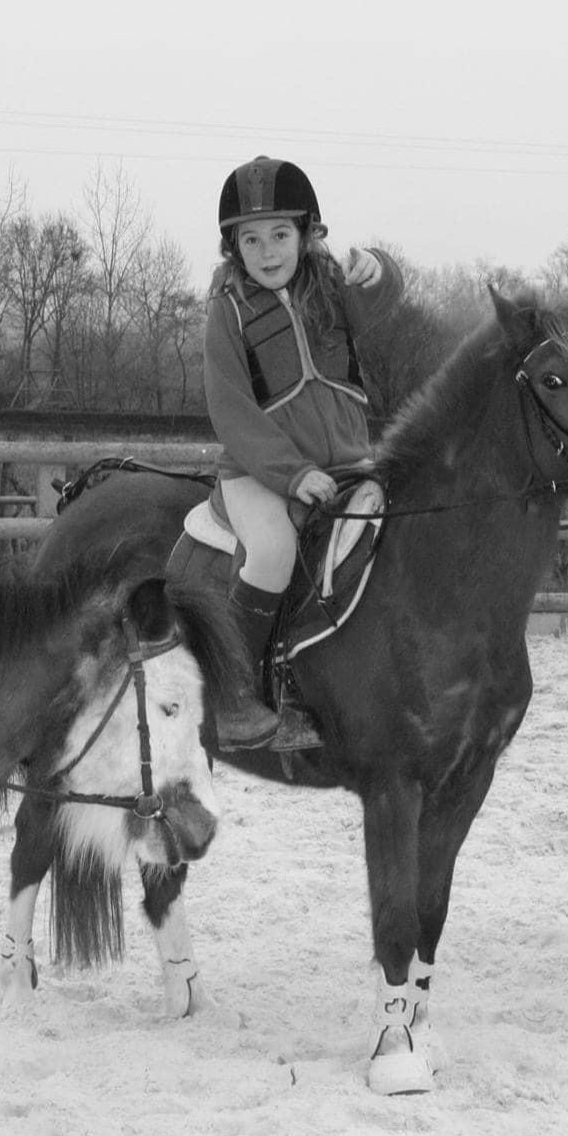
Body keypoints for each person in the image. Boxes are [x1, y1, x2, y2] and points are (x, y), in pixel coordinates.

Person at [202, 155, 403, 751]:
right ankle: (236, 695)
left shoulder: (331, 291)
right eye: (252, 240)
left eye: (280, 235)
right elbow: (231, 411)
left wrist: (379, 269)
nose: (267, 252)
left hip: (348, 465)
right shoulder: (227, 312)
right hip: (259, 474)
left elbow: (383, 299)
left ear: (306, 234)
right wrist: (293, 475)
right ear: (234, 247)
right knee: (273, 552)